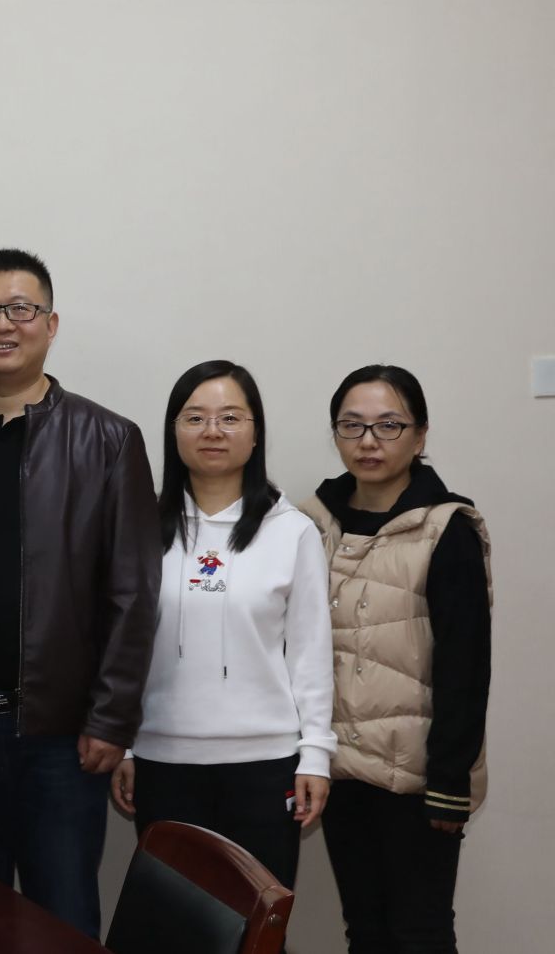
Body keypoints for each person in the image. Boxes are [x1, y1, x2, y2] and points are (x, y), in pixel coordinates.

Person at [0, 248, 161, 939]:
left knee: (61, 920)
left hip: (59, 737)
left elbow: (133, 593)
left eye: (21, 309)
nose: (2, 324)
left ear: (50, 324)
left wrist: (111, 719)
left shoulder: (108, 438)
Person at [109, 360, 334, 891]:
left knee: (256, 921)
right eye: (195, 418)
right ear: (174, 432)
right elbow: (118, 646)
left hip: (265, 765)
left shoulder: (292, 532)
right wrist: (124, 747)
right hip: (162, 763)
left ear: (256, 434)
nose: (212, 431)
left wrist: (316, 755)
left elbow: (311, 651)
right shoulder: (139, 526)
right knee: (172, 922)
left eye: (231, 417)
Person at [298, 365, 491, 953]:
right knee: (365, 929)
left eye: (388, 425)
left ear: (420, 434)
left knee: (419, 932)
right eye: (352, 425)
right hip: (338, 768)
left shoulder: (446, 529)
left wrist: (449, 783)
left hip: (416, 777)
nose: (368, 441)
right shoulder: (310, 524)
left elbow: (465, 666)